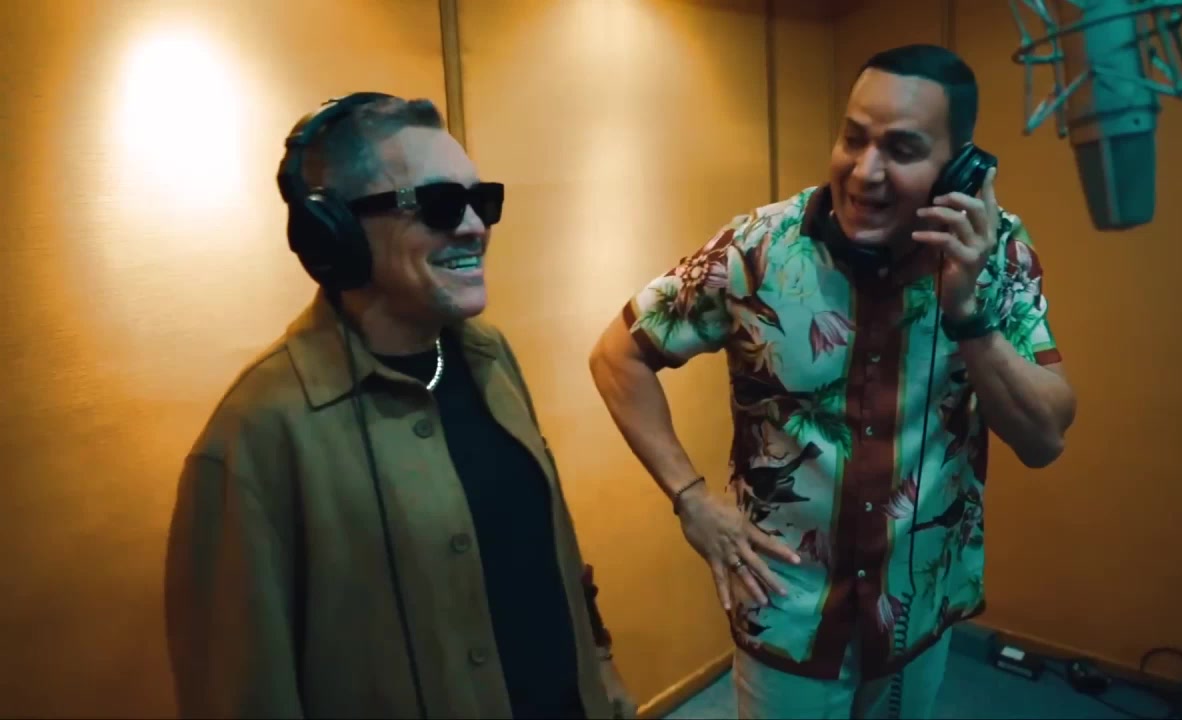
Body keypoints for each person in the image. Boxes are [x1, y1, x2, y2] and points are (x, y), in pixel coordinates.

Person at [589, 44, 1077, 719]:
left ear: (958, 170)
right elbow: (617, 356)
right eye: (853, 138)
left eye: (901, 150)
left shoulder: (998, 255)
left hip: (917, 608)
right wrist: (691, 498)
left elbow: (1045, 437)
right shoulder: (756, 249)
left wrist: (967, 312)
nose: (864, 171)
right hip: (786, 614)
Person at [164, 92, 636, 720]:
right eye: (439, 205)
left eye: (482, 200)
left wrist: (598, 660)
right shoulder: (258, 434)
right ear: (333, 233)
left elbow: (546, 545)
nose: (475, 227)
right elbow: (240, 692)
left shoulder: (488, 354)